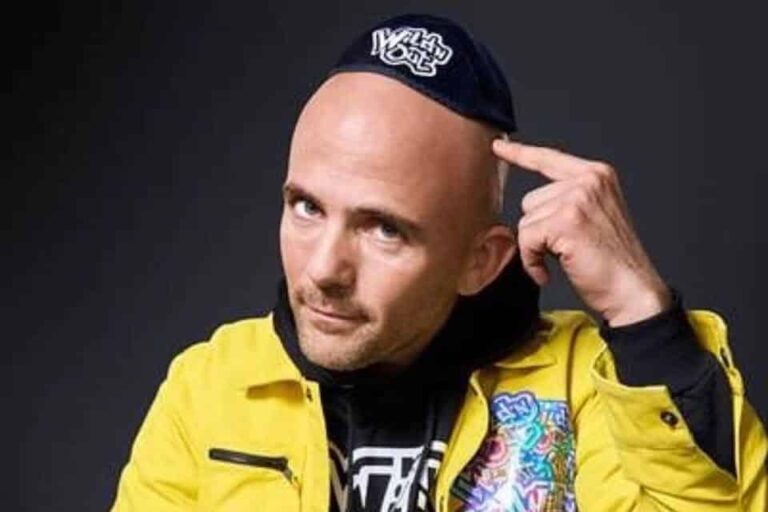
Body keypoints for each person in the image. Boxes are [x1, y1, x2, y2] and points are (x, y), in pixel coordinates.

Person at [110, 13, 767, 512]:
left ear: (482, 261)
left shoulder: (587, 386)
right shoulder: (212, 386)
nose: (324, 270)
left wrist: (641, 314)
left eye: (384, 229)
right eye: (307, 207)